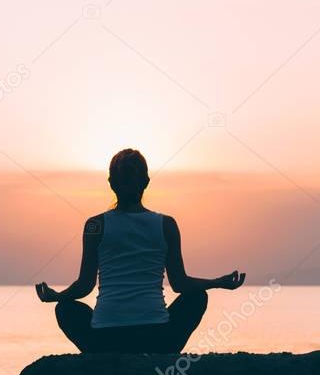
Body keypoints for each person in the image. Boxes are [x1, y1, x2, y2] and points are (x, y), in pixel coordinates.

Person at [35, 148, 245, 354]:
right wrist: (218, 282)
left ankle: (101, 358)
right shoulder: (166, 224)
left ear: (111, 184)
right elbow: (180, 284)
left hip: (105, 339)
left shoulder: (95, 225)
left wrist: (57, 296)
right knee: (197, 297)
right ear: (145, 182)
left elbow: (84, 285)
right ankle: (163, 356)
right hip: (156, 338)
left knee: (65, 309)